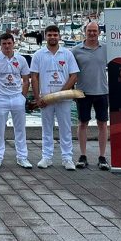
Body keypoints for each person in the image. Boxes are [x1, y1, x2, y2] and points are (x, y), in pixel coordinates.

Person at [31, 25, 80, 170]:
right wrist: (37, 97)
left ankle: (67, 158)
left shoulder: (67, 54)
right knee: (47, 128)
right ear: (45, 36)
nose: (52, 37)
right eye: (50, 35)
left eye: (55, 35)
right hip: (46, 99)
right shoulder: (38, 55)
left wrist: (60, 94)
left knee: (65, 128)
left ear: (59, 36)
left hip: (63, 99)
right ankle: (47, 157)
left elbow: (74, 76)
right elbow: (34, 77)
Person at [0, 33, 32, 169]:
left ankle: (22, 157)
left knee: (20, 130)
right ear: (0, 45)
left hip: (17, 98)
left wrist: (23, 97)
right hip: (0, 98)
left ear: (14, 44)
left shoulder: (21, 60)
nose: (7, 46)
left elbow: (26, 79)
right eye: (4, 44)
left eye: (9, 43)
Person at [71, 21, 109, 170]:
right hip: (83, 92)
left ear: (99, 32)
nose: (92, 33)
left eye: (95, 31)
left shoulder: (106, 48)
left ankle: (102, 156)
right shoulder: (75, 50)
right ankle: (83, 155)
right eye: (89, 31)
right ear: (85, 32)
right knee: (82, 124)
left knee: (102, 124)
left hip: (102, 91)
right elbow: (70, 72)